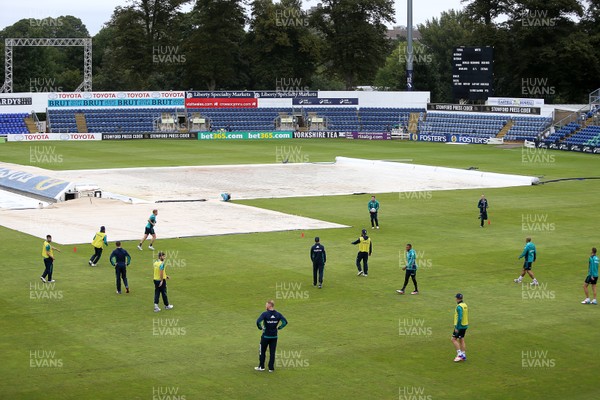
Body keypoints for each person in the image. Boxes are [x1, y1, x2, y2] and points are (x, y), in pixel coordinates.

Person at [255, 300, 288, 372]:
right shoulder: (278, 314)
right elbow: (285, 322)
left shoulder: (265, 314)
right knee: (272, 352)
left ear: (269, 306)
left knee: (262, 351)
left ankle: (261, 367)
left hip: (265, 336)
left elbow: (258, 322)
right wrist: (279, 328)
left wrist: (260, 328)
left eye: (266, 305)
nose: (265, 306)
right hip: (274, 336)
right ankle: (271, 368)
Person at [452, 293, 469, 362]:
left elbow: (460, 318)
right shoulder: (465, 305)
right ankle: (463, 355)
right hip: (465, 325)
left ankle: (459, 355)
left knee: (453, 339)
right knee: (461, 339)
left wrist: (457, 327)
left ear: (457, 298)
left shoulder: (459, 307)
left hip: (460, 326)